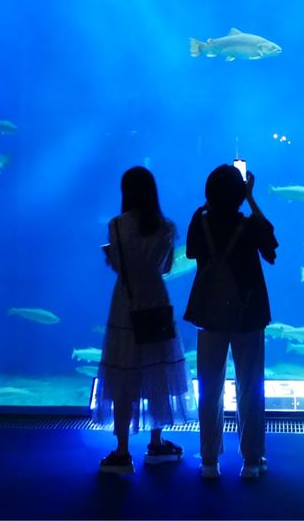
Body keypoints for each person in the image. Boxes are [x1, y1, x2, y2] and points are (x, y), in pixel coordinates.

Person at [183, 164, 278, 480]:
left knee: (210, 386)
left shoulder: (201, 221)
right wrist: (250, 198)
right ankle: (252, 459)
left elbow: (194, 251)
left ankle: (209, 460)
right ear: (240, 193)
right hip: (247, 312)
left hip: (210, 312)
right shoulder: (248, 225)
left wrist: (211, 206)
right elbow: (272, 249)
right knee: (251, 384)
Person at [95, 166, 192, 474]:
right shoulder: (166, 227)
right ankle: (157, 442)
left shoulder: (116, 225)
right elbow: (164, 268)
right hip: (155, 300)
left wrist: (114, 257)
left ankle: (122, 451)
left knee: (124, 371)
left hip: (126, 302)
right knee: (157, 370)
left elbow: (119, 265)